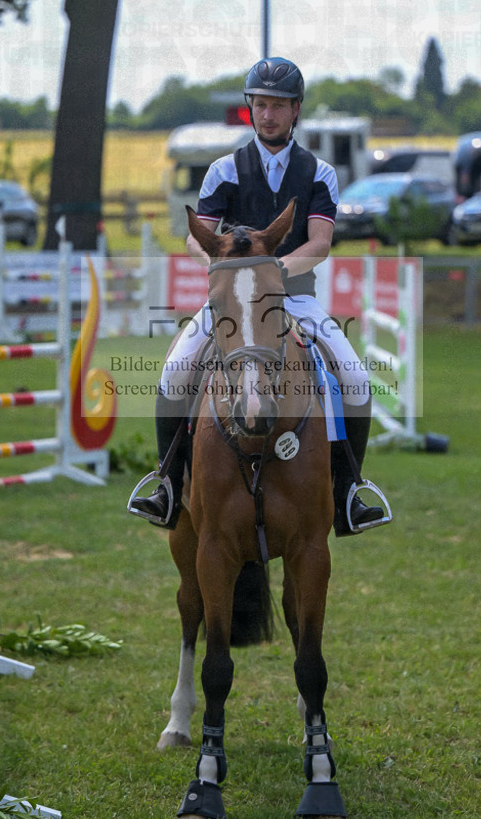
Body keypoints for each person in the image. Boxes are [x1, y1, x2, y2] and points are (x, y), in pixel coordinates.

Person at [131, 56, 384, 538]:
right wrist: (227, 269)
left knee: (353, 376)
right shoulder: (223, 169)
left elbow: (319, 243)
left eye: (278, 106)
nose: (267, 115)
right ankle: (166, 485)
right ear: (250, 109)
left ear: (296, 111)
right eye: (260, 105)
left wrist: (269, 273)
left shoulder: (320, 173)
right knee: (174, 370)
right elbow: (195, 236)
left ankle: (349, 492)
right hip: (232, 301)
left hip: (297, 299)